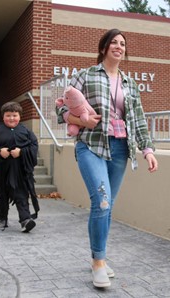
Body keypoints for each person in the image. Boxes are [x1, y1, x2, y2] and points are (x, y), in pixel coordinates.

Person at [56, 28, 158, 288]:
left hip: (121, 148)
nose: (119, 46)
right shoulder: (86, 75)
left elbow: (138, 120)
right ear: (103, 48)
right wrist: (83, 121)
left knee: (107, 206)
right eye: (113, 42)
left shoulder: (130, 84)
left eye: (122, 44)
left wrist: (147, 151)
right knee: (101, 202)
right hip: (91, 146)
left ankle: (96, 257)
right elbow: (61, 110)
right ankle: (99, 263)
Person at [0, 101, 39, 232]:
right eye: (8, 115)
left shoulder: (25, 130)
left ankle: (25, 220)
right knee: (2, 194)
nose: (11, 118)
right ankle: (1, 218)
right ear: (3, 117)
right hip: (2, 169)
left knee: (21, 193)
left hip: (20, 170)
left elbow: (34, 145)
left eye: (14, 115)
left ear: (19, 116)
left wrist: (21, 152)